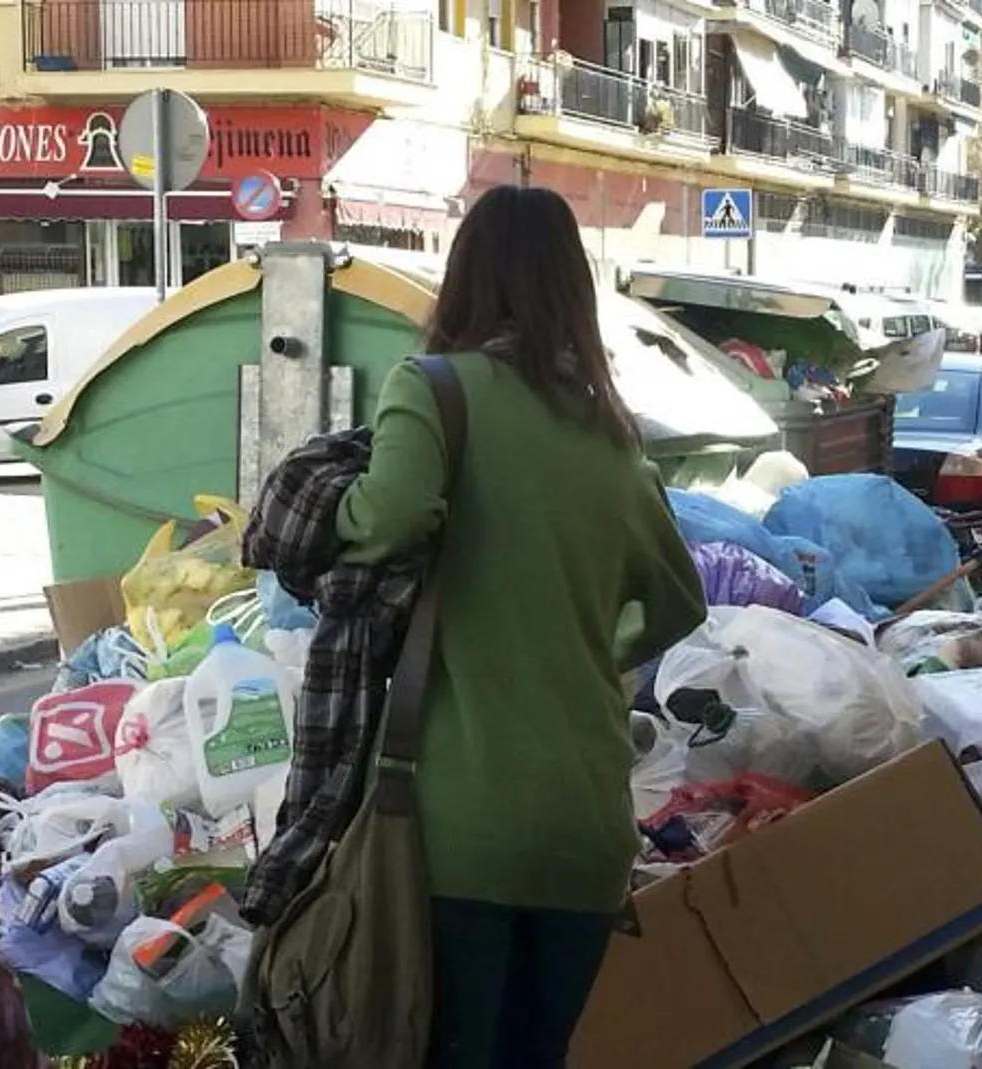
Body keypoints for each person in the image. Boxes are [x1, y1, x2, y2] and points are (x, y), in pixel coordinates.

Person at [334, 184, 707, 1068]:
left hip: (463, 824)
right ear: (571, 291)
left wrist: (329, 515)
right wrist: (583, 647)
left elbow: (388, 516)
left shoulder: (432, 390)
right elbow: (678, 598)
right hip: (586, 828)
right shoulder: (611, 433)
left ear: (465, 278)